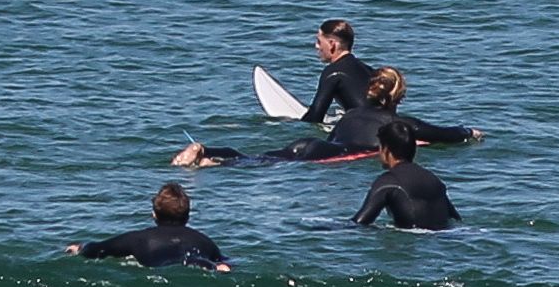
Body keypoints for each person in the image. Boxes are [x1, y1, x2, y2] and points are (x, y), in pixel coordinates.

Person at [175, 67, 479, 167]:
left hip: (308, 145)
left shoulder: (351, 115)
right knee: (258, 164)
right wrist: (469, 132)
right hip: (322, 156)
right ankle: (207, 158)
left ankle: (208, 152)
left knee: (253, 158)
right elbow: (444, 134)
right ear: (398, 97)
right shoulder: (399, 125)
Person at [67, 183, 230, 270]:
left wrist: (81, 247)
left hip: (162, 271)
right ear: (188, 215)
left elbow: (98, 249)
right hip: (199, 265)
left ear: (154, 214)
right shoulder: (206, 242)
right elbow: (227, 262)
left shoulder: (138, 239)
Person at [353, 121, 460, 230]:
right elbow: (455, 219)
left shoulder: (388, 181)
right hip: (445, 237)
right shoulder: (434, 180)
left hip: (413, 239)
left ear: (386, 150)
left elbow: (359, 223)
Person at [300, 19, 381, 134]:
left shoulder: (333, 72)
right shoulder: (367, 69)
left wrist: (292, 126)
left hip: (366, 132)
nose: (316, 46)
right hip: (385, 126)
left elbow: (315, 116)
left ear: (332, 44)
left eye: (319, 41)